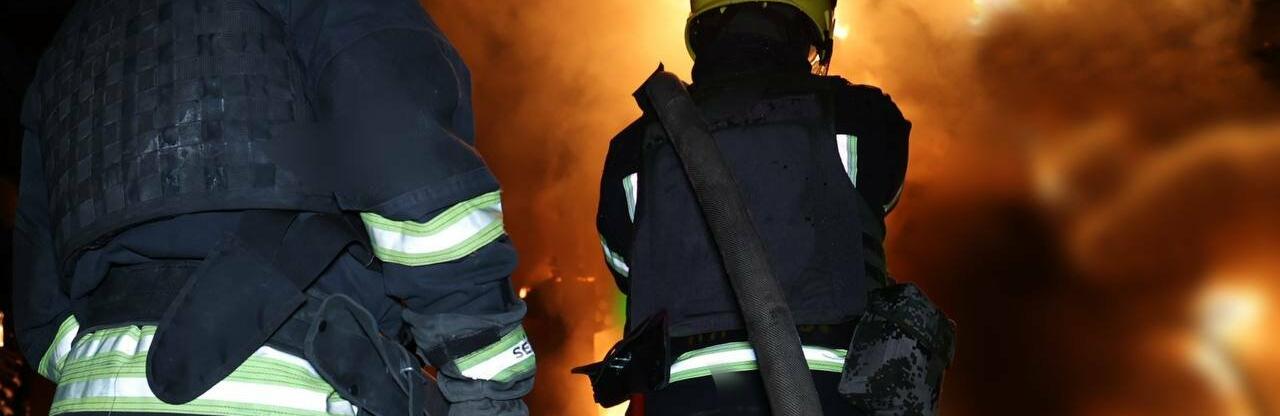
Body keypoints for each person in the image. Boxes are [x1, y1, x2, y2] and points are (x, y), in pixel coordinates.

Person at [12, 0, 534, 414]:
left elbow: (41, 311)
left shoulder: (72, 41)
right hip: (287, 388)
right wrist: (492, 382)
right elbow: (417, 185)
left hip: (89, 388)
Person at [587, 0, 949, 414]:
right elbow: (880, 199)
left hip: (681, 399)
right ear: (811, 28)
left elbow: (627, 269)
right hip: (829, 393)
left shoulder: (634, 147)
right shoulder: (861, 116)